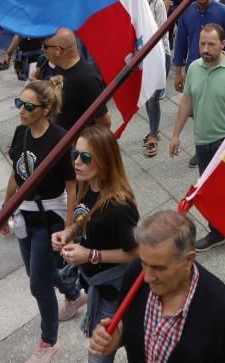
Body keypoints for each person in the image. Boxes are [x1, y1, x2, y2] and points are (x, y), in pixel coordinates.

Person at [88, 211, 225, 362]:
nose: (147, 277)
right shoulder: (135, 272)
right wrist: (119, 336)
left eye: (159, 268)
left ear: (188, 260)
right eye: (144, 263)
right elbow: (131, 321)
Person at [0, 78, 82, 363]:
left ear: (45, 110)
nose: (21, 109)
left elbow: (72, 185)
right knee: (37, 273)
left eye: (28, 105)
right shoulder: (21, 132)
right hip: (24, 215)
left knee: (38, 284)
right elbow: (16, 174)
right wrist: (5, 208)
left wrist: (70, 225)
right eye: (18, 103)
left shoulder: (60, 139)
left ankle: (49, 342)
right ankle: (72, 292)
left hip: (49, 220)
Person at [52, 126, 140, 363]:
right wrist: (69, 232)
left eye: (85, 157)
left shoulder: (120, 206)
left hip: (112, 292)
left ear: (104, 161)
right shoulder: (88, 184)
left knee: (98, 355)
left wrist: (89, 255)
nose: (77, 161)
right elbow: (85, 218)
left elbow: (134, 253)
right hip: (95, 285)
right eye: (75, 154)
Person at [169, 23, 225, 250]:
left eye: (211, 44)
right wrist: (175, 134)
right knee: (211, 193)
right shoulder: (194, 68)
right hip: (202, 142)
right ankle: (217, 232)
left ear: (223, 44)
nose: (205, 49)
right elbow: (186, 101)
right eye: (202, 44)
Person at [171, 0, 225, 95]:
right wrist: (178, 74)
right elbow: (180, 44)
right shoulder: (185, 11)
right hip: (193, 69)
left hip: (218, 69)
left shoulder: (224, 12)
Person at [37, 28, 111, 131]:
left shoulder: (87, 79)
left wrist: (84, 144)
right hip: (60, 136)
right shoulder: (59, 67)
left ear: (58, 50)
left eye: (46, 47)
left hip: (75, 143)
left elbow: (104, 121)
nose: (43, 50)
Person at [140, 0, 168, 157]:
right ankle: (154, 130)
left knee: (153, 97)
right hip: (143, 58)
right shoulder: (137, 7)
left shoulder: (157, 3)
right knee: (147, 97)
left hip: (159, 54)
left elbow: (160, 29)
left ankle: (153, 136)